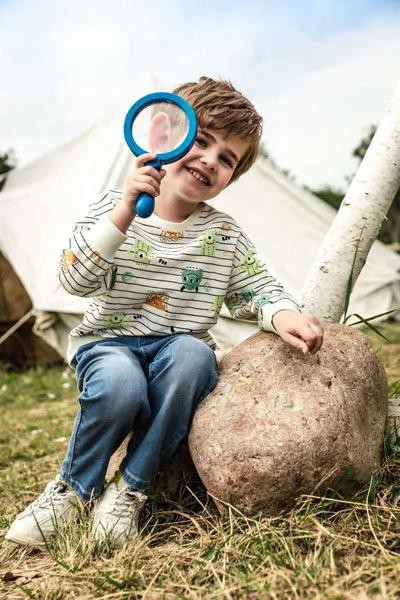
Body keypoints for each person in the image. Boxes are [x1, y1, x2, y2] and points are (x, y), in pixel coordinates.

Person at [5, 76, 324, 548]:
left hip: (178, 347)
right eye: (201, 141)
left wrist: (282, 314)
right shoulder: (113, 208)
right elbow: (75, 280)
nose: (209, 161)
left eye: (226, 159)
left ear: (232, 178)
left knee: (195, 358)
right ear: (163, 136)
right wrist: (126, 213)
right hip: (109, 343)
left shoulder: (224, 235)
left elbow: (257, 287)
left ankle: (130, 489)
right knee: (120, 386)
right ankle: (72, 490)